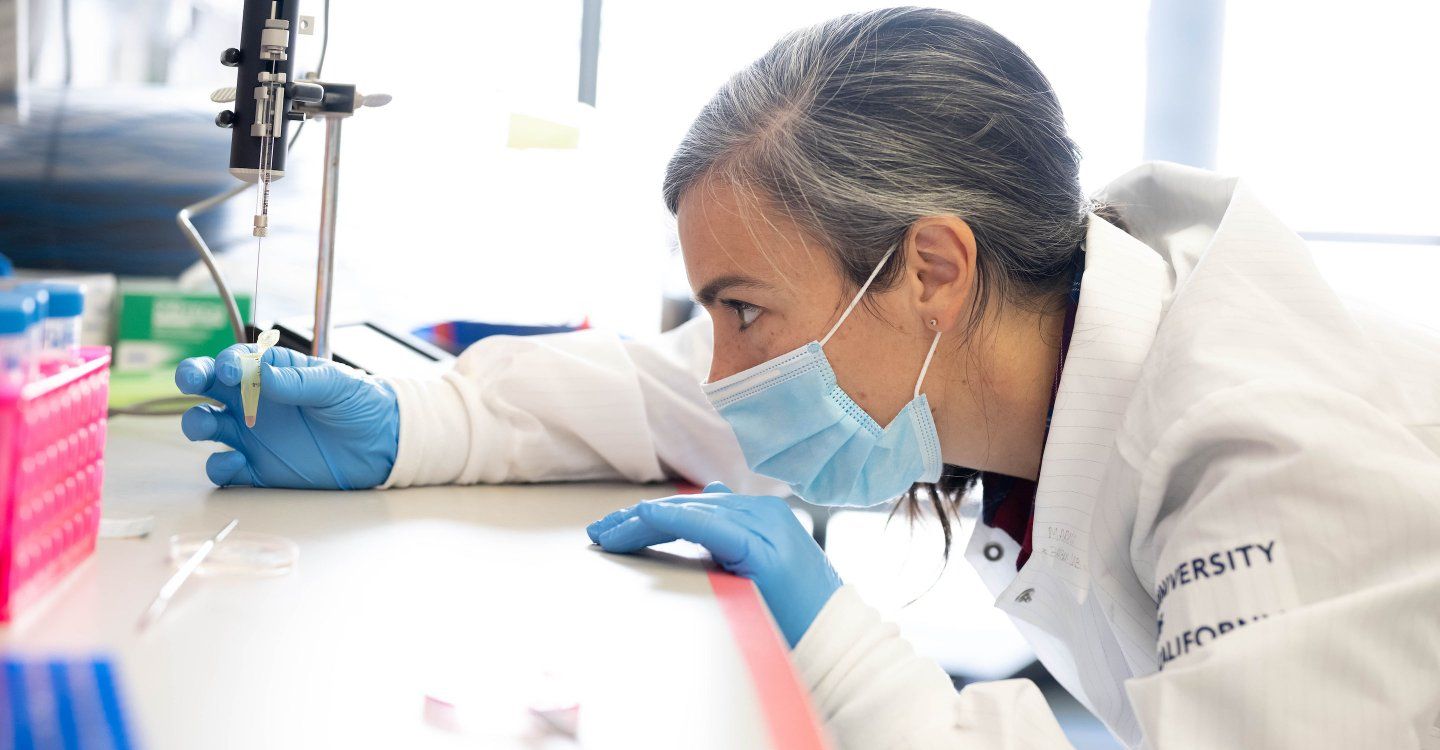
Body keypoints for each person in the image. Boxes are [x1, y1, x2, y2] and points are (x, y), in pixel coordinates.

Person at [175, 8, 1440, 747]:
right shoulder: (1029, 335)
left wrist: (840, 649)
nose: (721, 373)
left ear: (932, 267)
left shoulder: (1267, 459)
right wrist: (410, 423)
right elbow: (648, 392)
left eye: (740, 312)